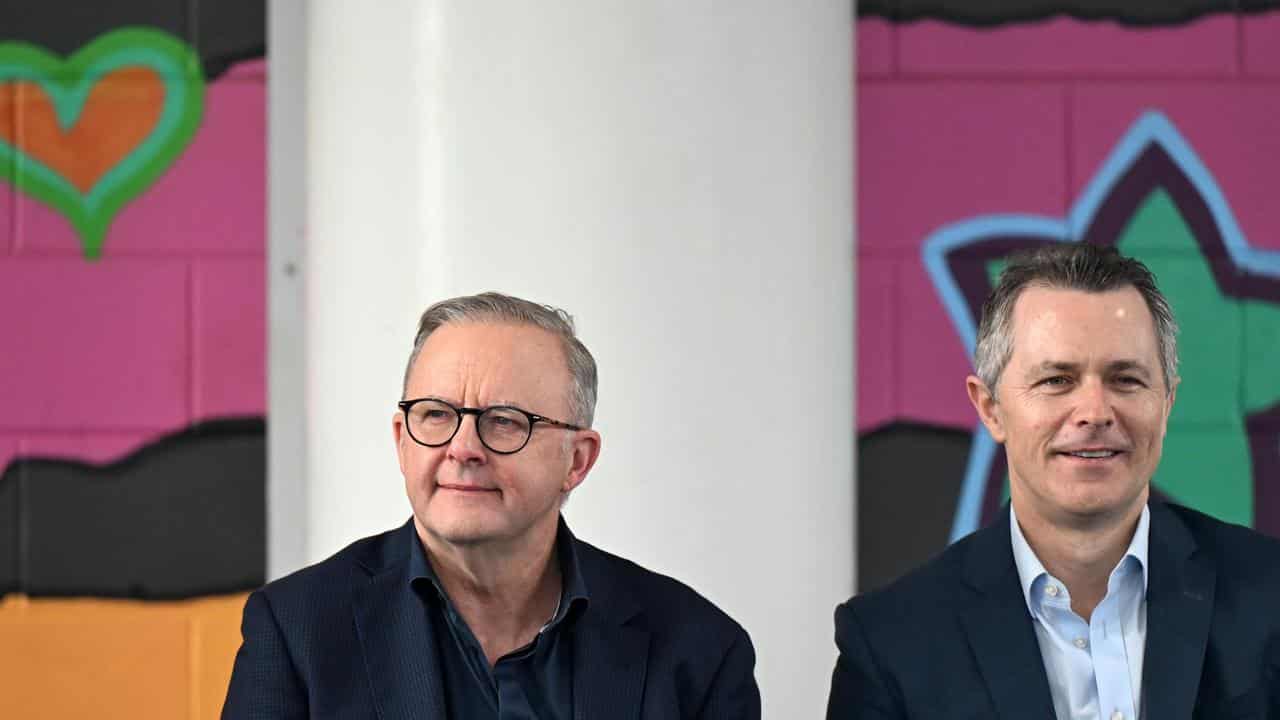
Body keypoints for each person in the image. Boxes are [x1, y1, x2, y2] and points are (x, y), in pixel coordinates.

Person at [223, 293, 760, 719]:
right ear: (401, 440)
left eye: (504, 421)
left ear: (576, 460)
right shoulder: (297, 630)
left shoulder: (697, 649)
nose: (462, 448)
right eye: (435, 415)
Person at [826, 244, 1280, 719]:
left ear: (1166, 404)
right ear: (990, 408)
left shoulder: (1271, 599)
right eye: (1056, 380)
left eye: (1125, 379)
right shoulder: (890, 646)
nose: (1095, 413)